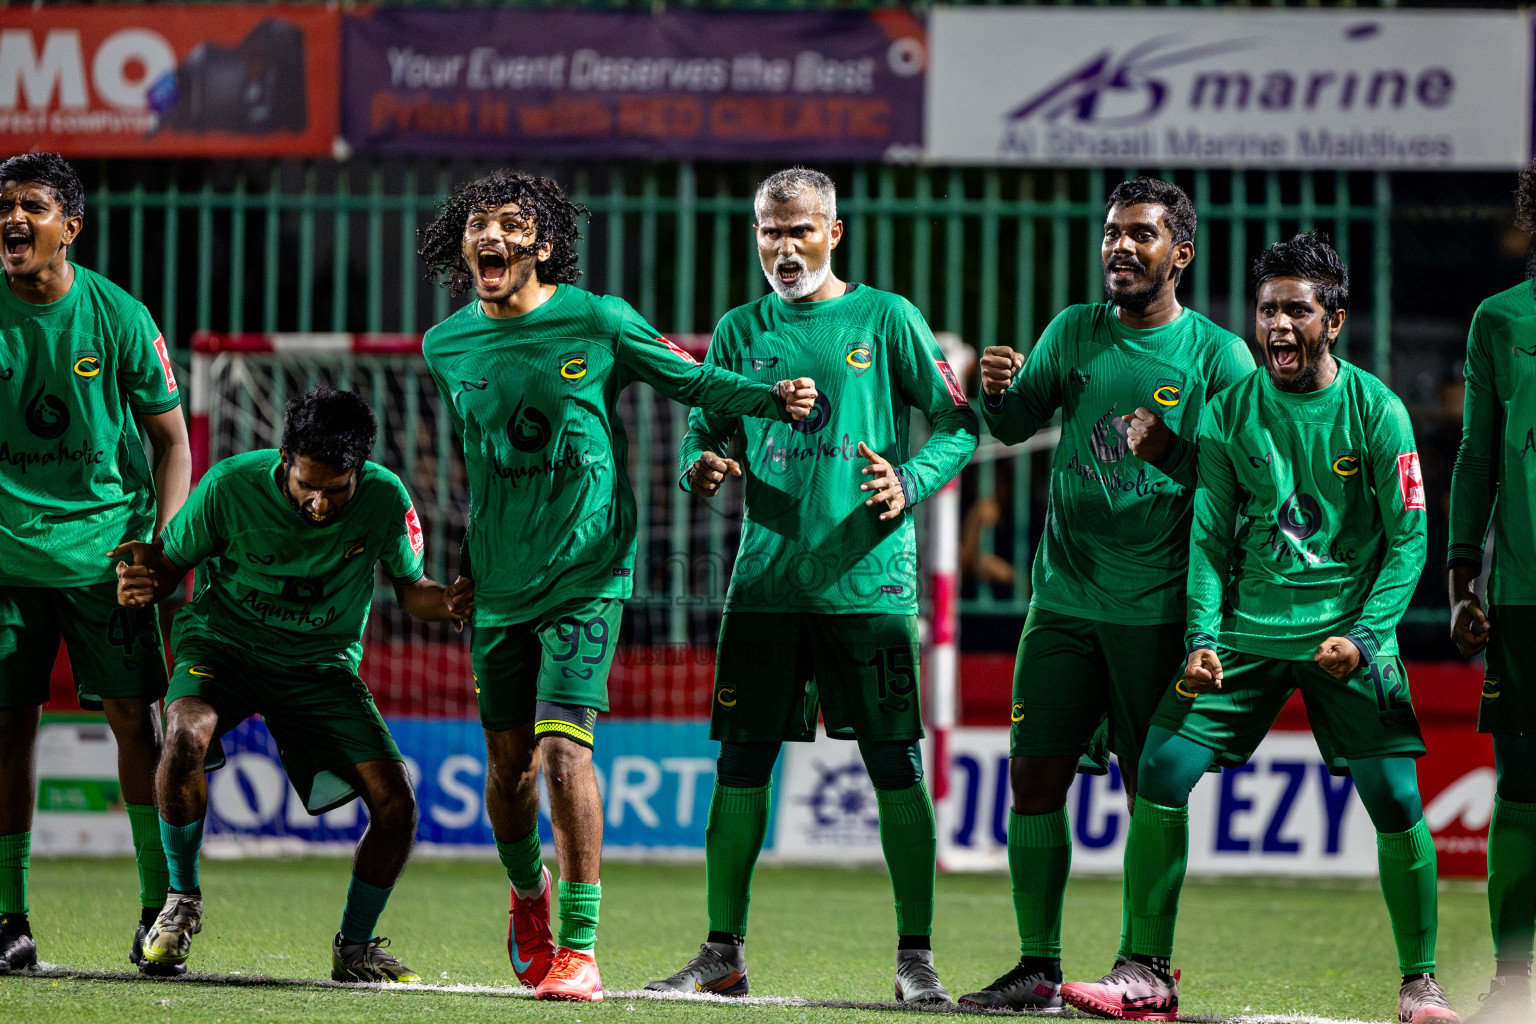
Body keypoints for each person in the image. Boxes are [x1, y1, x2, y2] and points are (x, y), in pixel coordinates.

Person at [416, 170, 817, 1003]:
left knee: (563, 748)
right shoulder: (445, 344)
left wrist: (770, 400)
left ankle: (581, 946)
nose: (492, 237)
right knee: (506, 770)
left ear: (546, 244)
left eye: (511, 224)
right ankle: (529, 896)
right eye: (478, 224)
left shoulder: (598, 321)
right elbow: (481, 465)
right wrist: (465, 555)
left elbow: (692, 379)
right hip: (498, 583)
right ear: (463, 246)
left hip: (589, 574)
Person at [1062, 232, 1456, 1023]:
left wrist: (1370, 635)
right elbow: (1208, 534)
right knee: (1163, 768)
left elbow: (1411, 538)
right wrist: (1203, 638)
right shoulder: (1230, 411)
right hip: (1243, 633)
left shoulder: (1377, 411)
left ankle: (1420, 983)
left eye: (1297, 311)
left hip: (1347, 633)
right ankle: (1145, 972)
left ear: (1333, 321)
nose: (1278, 325)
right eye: (1268, 309)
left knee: (1395, 795)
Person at [644, 167, 979, 1004]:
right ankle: (722, 956)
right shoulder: (739, 328)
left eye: (798, 231)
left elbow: (960, 422)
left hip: (869, 587)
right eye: (769, 232)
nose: (783, 248)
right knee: (741, 764)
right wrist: (702, 464)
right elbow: (702, 428)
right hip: (764, 588)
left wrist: (910, 478)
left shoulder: (887, 318)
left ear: (834, 232)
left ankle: (916, 960)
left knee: (895, 765)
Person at [964, 178, 1254, 1010]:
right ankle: (1037, 967)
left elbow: (1246, 489)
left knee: (1149, 788)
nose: (1120, 248)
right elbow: (1014, 427)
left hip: (1157, 611)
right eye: (1112, 234)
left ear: (1180, 253)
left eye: (1141, 235)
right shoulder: (1075, 331)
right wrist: (996, 389)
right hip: (1061, 602)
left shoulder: (1217, 358)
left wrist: (1167, 452)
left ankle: (1147, 966)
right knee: (1033, 779)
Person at [113, 386, 471, 982]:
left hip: (321, 666)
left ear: (360, 469)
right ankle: (179, 906)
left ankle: (354, 948)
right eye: (309, 485)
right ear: (285, 458)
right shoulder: (229, 486)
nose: (321, 503)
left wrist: (452, 602)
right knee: (183, 732)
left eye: (337, 489)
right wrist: (141, 581)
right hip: (223, 651)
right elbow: (168, 568)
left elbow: (413, 591)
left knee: (397, 804)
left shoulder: (385, 500)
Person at [0, 153, 190, 975]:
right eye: (4, 205)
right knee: (7, 730)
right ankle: (9, 918)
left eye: (32, 206)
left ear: (69, 227)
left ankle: (159, 910)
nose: (12, 219)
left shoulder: (117, 315)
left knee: (133, 723)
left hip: (109, 559)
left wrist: (165, 546)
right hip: (8, 561)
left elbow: (173, 442)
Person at [1448, 156, 1536, 1024]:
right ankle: (1515, 978)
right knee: (1524, 786)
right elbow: (1476, 455)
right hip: (1523, 596)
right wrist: (1460, 573)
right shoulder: (1502, 321)